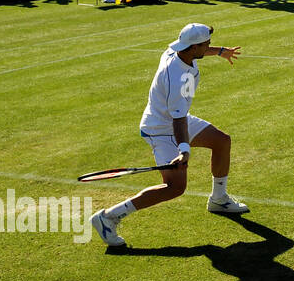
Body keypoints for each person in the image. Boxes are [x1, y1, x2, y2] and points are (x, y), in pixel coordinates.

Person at [89, 23, 247, 248]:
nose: (209, 46)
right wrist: (184, 150)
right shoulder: (178, 78)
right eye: (206, 44)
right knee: (174, 187)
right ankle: (108, 217)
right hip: (161, 130)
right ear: (193, 47)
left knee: (221, 141)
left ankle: (219, 200)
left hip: (174, 119)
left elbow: (198, 54)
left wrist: (220, 51)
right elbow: (178, 119)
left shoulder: (176, 51)